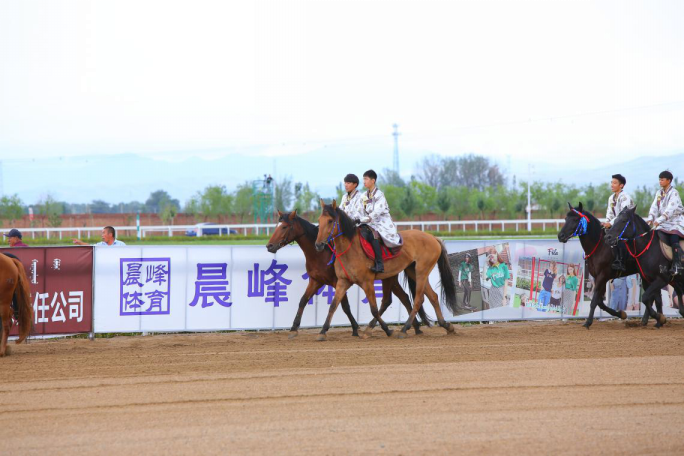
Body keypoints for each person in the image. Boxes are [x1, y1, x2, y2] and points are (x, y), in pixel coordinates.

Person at [356, 169, 402, 273]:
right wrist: (355, 219)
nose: (364, 181)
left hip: (381, 223)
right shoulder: (363, 196)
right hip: (368, 222)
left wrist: (363, 219)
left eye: (366, 179)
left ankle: (380, 264)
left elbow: (376, 212)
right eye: (363, 179)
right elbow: (359, 210)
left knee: (373, 235)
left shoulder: (379, 195)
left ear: (373, 181)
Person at [644, 171, 684, 275]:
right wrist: (650, 218)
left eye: (662, 179)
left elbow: (670, 209)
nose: (660, 181)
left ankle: (677, 264)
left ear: (669, 181)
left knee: (673, 238)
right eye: (659, 179)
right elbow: (654, 207)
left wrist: (659, 220)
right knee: (654, 237)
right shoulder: (659, 193)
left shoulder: (674, 192)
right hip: (663, 222)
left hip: (675, 221)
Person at [601, 174, 635, 271]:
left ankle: (621, 261)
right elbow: (609, 212)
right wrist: (607, 222)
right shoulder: (611, 198)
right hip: (616, 224)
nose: (612, 185)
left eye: (615, 183)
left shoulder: (625, 197)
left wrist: (611, 224)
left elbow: (622, 215)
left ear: (621, 185)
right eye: (611, 182)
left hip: (626, 224)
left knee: (617, 237)